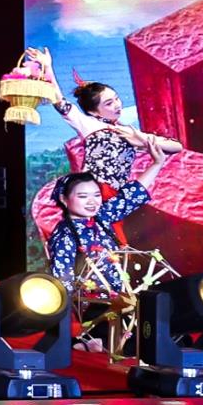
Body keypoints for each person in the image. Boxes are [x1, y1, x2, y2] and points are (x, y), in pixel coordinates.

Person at [34, 48, 181, 239]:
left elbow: (176, 147)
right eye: (109, 103)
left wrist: (140, 138)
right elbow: (59, 101)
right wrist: (48, 68)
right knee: (98, 240)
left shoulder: (128, 131)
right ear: (94, 112)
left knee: (111, 242)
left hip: (115, 196)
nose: (117, 105)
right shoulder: (89, 124)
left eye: (117, 99)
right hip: (92, 190)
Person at [47, 140, 169, 348]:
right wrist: (63, 330)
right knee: (136, 343)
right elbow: (62, 282)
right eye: (83, 196)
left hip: (122, 299)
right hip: (93, 307)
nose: (92, 201)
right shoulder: (65, 234)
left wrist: (157, 163)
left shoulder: (102, 217)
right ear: (64, 199)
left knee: (160, 326)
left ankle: (99, 341)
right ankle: (86, 340)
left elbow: (131, 196)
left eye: (96, 195)